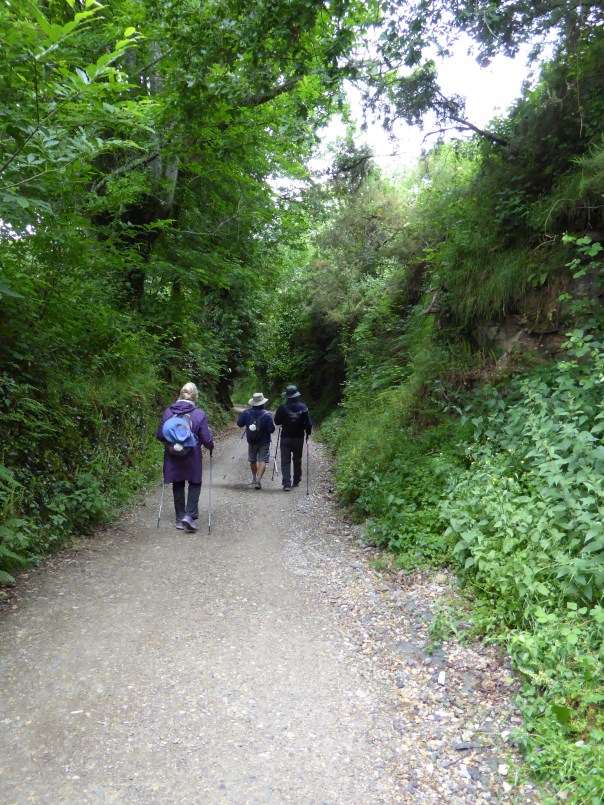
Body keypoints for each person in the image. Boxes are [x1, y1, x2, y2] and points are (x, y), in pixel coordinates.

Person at [156, 382, 214, 531]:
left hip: (173, 454)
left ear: (180, 394)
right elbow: (206, 439)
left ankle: (180, 519)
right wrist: (210, 445)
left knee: (178, 482)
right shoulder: (199, 414)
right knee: (195, 483)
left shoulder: (168, 412)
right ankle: (189, 515)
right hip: (192, 454)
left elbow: (160, 435)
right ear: (195, 397)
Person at [274, 384, 312, 492]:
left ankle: (286, 484)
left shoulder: (282, 407)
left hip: (285, 437)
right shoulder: (303, 407)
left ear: (287, 396)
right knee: (297, 459)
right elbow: (308, 424)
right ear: (296, 395)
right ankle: (296, 480)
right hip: (298, 437)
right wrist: (307, 434)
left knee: (285, 461)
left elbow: (276, 422)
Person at [237, 392, 275, 490]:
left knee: (253, 460)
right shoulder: (267, 415)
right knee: (263, 460)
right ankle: (258, 480)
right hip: (264, 441)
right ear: (263, 403)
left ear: (253, 402)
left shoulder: (246, 412)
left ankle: (254, 478)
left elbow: (239, 424)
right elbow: (271, 430)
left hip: (251, 440)